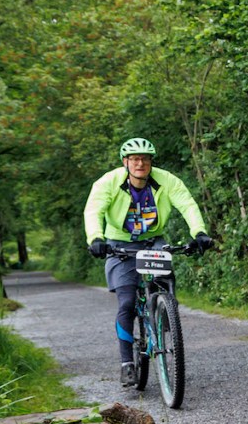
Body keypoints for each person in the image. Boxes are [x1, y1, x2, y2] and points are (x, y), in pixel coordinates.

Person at [83, 137, 213, 386]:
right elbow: (94, 210)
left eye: (145, 158)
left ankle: (165, 316)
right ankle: (127, 363)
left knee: (164, 280)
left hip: (153, 240)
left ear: (151, 161)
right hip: (118, 243)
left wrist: (199, 232)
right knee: (128, 301)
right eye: (134, 159)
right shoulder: (108, 183)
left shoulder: (166, 180)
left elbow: (187, 204)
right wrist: (96, 238)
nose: (140, 163)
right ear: (126, 162)